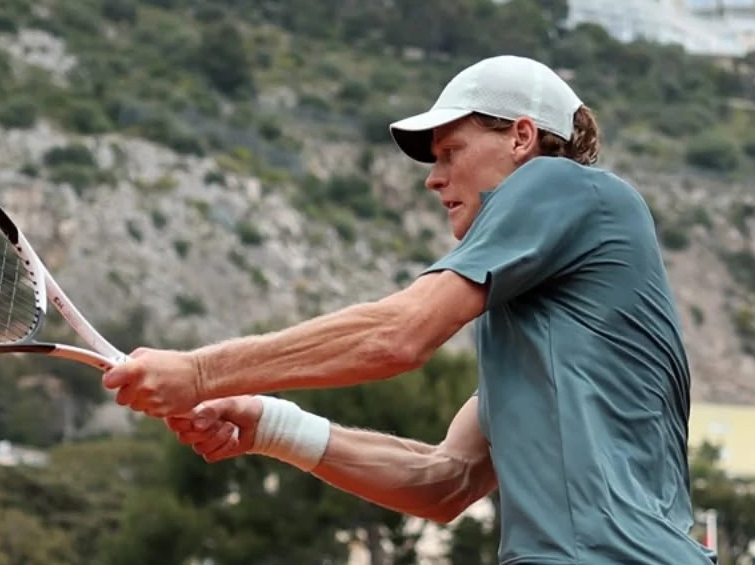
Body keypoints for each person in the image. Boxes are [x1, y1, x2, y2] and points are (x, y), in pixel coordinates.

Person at [102, 55, 716, 565]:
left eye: (451, 151)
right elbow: (445, 480)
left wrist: (203, 373)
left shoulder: (560, 183)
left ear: (521, 138)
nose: (433, 178)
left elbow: (400, 334)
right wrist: (271, 426)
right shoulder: (547, 338)